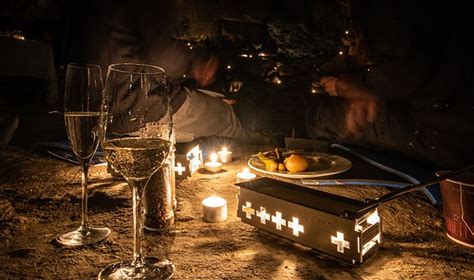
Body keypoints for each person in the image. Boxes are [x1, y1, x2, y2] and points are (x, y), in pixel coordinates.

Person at [65, 0, 275, 145]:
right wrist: (196, 65)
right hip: (137, 108)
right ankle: (257, 147)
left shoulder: (92, 8)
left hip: (96, 109)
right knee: (224, 113)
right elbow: (166, 59)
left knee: (205, 99)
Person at [305, 0, 474, 169]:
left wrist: (344, 85)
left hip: (441, 132)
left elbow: (401, 73)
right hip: (449, 116)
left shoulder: (385, 7)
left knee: (322, 119)